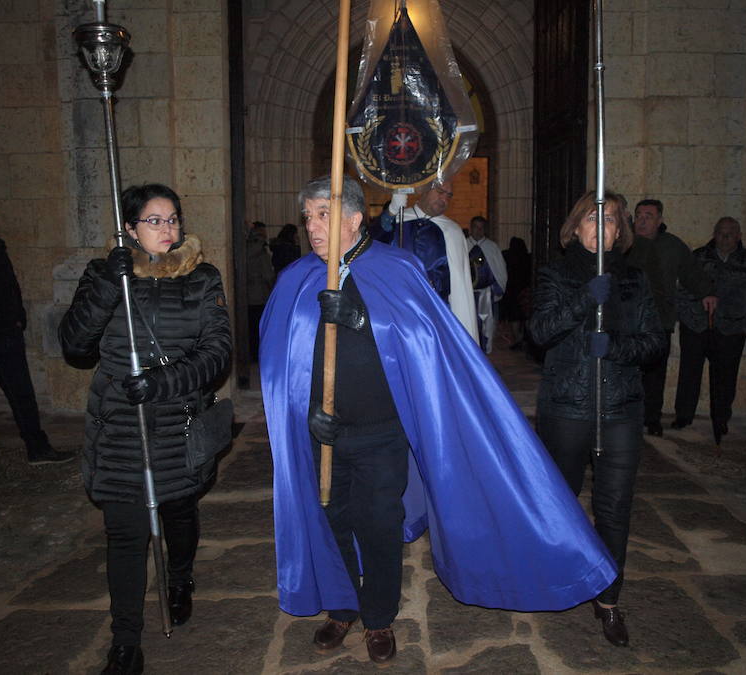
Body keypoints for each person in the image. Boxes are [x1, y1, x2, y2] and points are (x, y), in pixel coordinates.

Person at [261, 175, 617, 665]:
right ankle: (343, 606)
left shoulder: (397, 268)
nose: (312, 227)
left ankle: (380, 616)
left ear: (354, 218)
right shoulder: (297, 277)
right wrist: (306, 416)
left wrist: (361, 321)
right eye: (308, 217)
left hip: (382, 432)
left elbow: (422, 342)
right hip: (322, 435)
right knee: (332, 518)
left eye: (323, 215)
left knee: (378, 522)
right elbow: (280, 365)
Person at [59, 184, 231, 675]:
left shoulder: (201, 277)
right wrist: (109, 288)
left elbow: (217, 352)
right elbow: (74, 344)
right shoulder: (105, 274)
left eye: (173, 219)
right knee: (126, 535)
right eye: (154, 221)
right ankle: (125, 642)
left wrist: (164, 381)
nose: (168, 229)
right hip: (120, 425)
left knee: (178, 511)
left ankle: (179, 578)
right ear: (130, 229)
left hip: (176, 420)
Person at [529, 190, 664, 647]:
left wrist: (619, 349)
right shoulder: (554, 275)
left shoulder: (635, 280)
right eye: (593, 219)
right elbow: (541, 332)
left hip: (620, 408)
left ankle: (608, 599)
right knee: (560, 503)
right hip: (567, 406)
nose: (601, 228)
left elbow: (655, 342)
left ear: (619, 232)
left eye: (610, 222)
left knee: (614, 509)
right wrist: (585, 299)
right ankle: (559, 578)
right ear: (576, 226)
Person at [0, 199, 73, 485]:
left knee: (23, 397)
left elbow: (10, 286)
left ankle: (38, 448)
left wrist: (18, 318)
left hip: (7, 336)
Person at [673, 217, 746, 442]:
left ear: (739, 236)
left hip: (731, 327)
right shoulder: (699, 257)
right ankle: (684, 415)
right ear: (714, 234)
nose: (725, 238)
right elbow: (682, 289)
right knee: (689, 373)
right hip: (696, 325)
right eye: (721, 233)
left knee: (725, 376)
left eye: (730, 233)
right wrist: (688, 315)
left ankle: (721, 418)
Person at [632, 199, 715, 436]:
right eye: (639, 215)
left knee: (655, 373)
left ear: (660, 220)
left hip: (659, 319)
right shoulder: (624, 243)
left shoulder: (672, 246)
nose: (643, 220)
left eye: (648, 215)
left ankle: (652, 418)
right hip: (629, 321)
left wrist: (707, 292)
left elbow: (691, 272)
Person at [374, 181, 478, 342]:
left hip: (437, 316)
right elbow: (370, 243)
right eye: (440, 192)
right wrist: (392, 211)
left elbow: (459, 287)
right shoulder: (398, 221)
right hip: (397, 312)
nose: (444, 199)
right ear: (424, 190)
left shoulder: (452, 231)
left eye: (448, 196)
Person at [466, 216, 508, 354]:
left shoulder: (492, 247)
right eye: (476, 227)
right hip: (467, 294)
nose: (478, 230)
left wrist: (497, 287)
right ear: (471, 228)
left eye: (481, 227)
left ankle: (486, 352)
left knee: (488, 325)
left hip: (487, 294)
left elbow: (500, 269)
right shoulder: (463, 245)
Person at [245, 220, 275, 361]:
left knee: (250, 327)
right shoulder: (262, 251)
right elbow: (268, 274)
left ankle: (251, 353)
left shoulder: (245, 248)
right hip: (261, 293)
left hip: (248, 294)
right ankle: (259, 354)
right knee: (260, 325)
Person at [501, 236, 533, 350]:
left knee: (514, 318)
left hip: (512, 292)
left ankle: (518, 340)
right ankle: (526, 339)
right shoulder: (528, 258)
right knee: (526, 316)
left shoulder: (507, 256)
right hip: (525, 291)